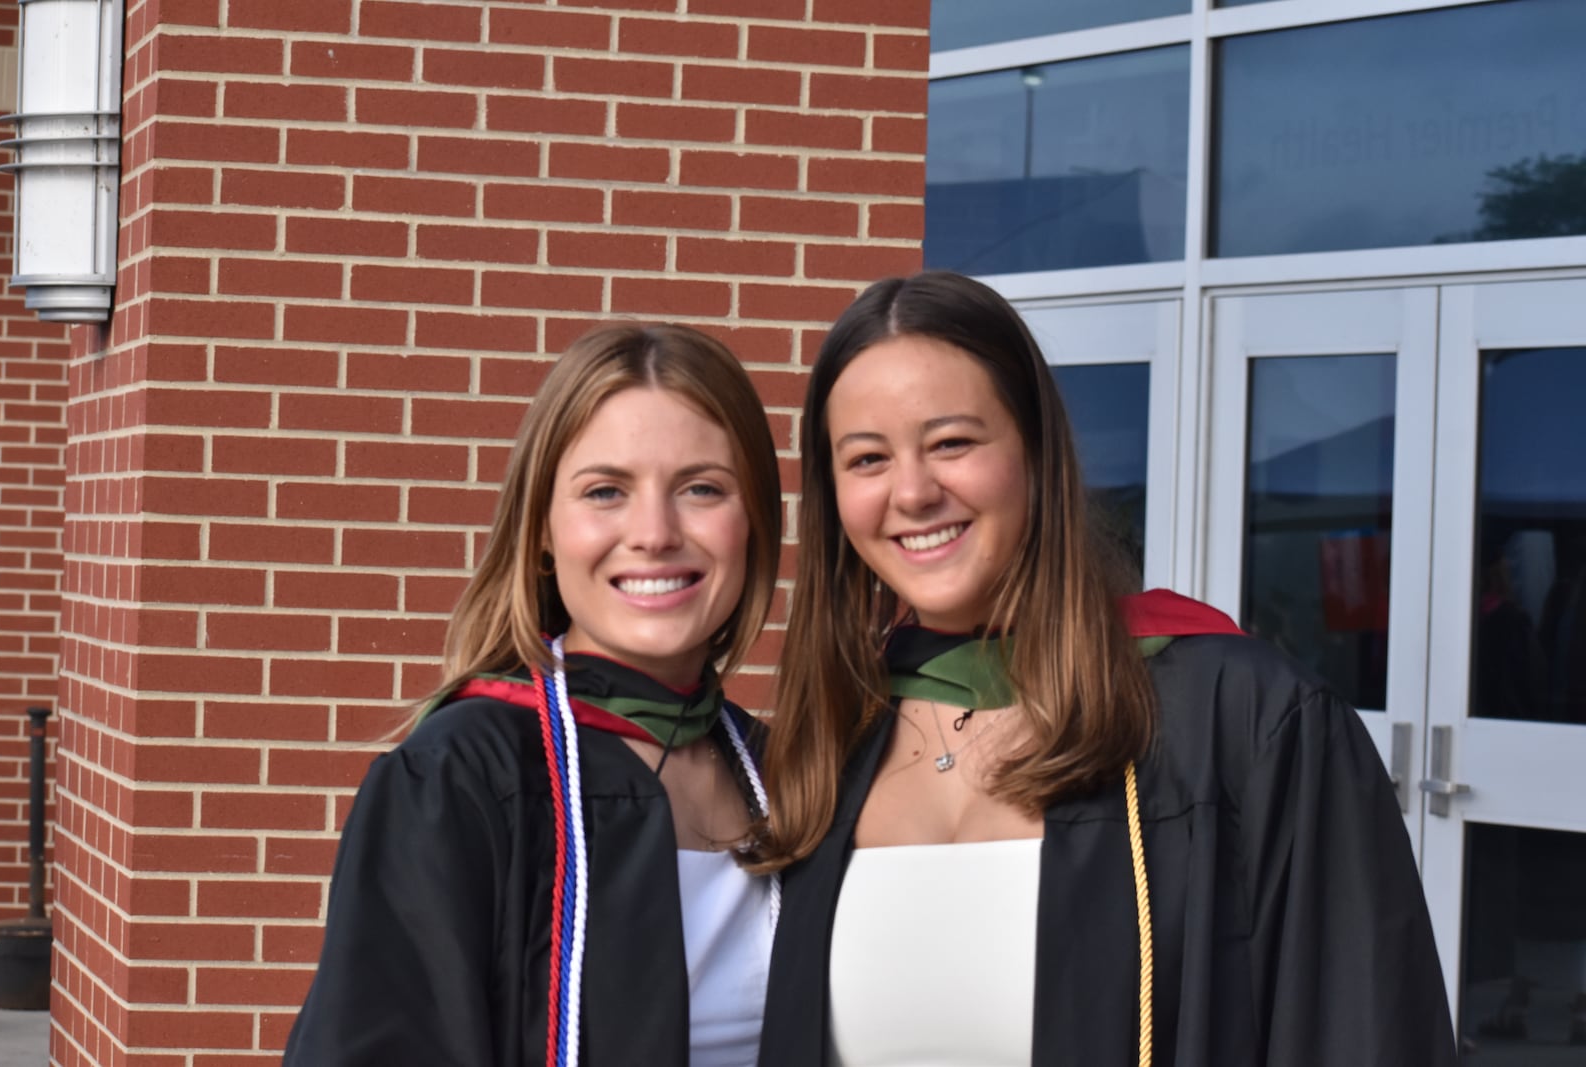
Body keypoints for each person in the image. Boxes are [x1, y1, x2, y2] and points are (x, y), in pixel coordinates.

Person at [752, 271, 1457, 1067]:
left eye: (952, 442)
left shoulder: (1235, 719)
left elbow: (1363, 1031)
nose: (912, 491)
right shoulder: (831, 743)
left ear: (1036, 451)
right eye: (867, 458)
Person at [285, 323, 783, 1067]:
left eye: (702, 488)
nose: (654, 532)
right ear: (543, 526)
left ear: (756, 521)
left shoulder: (790, 775)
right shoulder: (463, 778)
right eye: (605, 491)